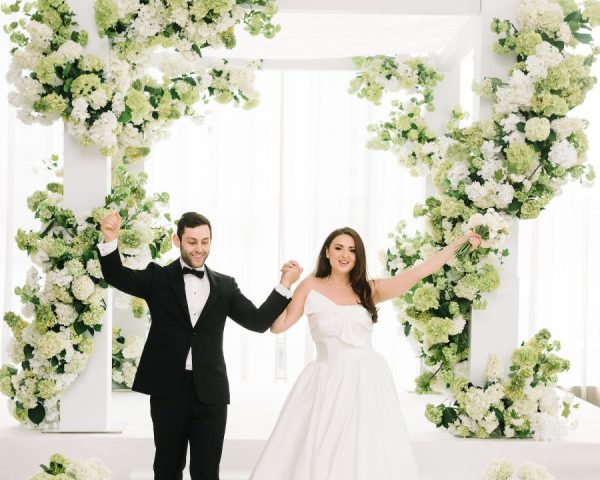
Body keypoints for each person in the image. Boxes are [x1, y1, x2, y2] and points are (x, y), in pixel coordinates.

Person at [250, 227, 481, 480]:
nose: (345, 255)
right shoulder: (310, 286)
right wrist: (286, 283)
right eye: (338, 248)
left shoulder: (369, 289)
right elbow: (278, 326)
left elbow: (420, 272)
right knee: (323, 445)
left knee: (366, 447)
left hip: (367, 379)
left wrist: (460, 242)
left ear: (358, 257)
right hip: (327, 379)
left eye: (352, 250)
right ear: (327, 252)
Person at [98, 211, 302, 480]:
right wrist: (110, 238)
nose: (199, 249)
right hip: (168, 390)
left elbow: (257, 321)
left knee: (207, 471)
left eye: (205, 242)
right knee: (168, 467)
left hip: (211, 392)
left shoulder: (225, 286)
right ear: (177, 240)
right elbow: (117, 275)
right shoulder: (157, 278)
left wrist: (285, 285)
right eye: (192, 242)